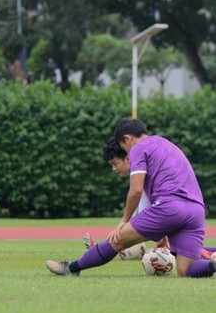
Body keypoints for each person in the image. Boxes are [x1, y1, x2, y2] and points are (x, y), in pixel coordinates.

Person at [47, 118, 216, 277]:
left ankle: (71, 268)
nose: (127, 153)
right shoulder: (166, 143)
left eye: (123, 146)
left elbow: (136, 190)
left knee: (117, 239)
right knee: (185, 269)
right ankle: (213, 264)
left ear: (127, 139)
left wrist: (124, 221)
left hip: (170, 206)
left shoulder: (138, 149)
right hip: (196, 209)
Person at [83, 137, 216, 259]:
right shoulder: (155, 160)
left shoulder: (143, 171)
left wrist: (125, 222)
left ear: (128, 157)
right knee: (177, 247)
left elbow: (141, 203)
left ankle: (87, 258)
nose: (114, 169)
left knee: (126, 241)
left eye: (115, 163)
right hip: (191, 208)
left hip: (175, 209)